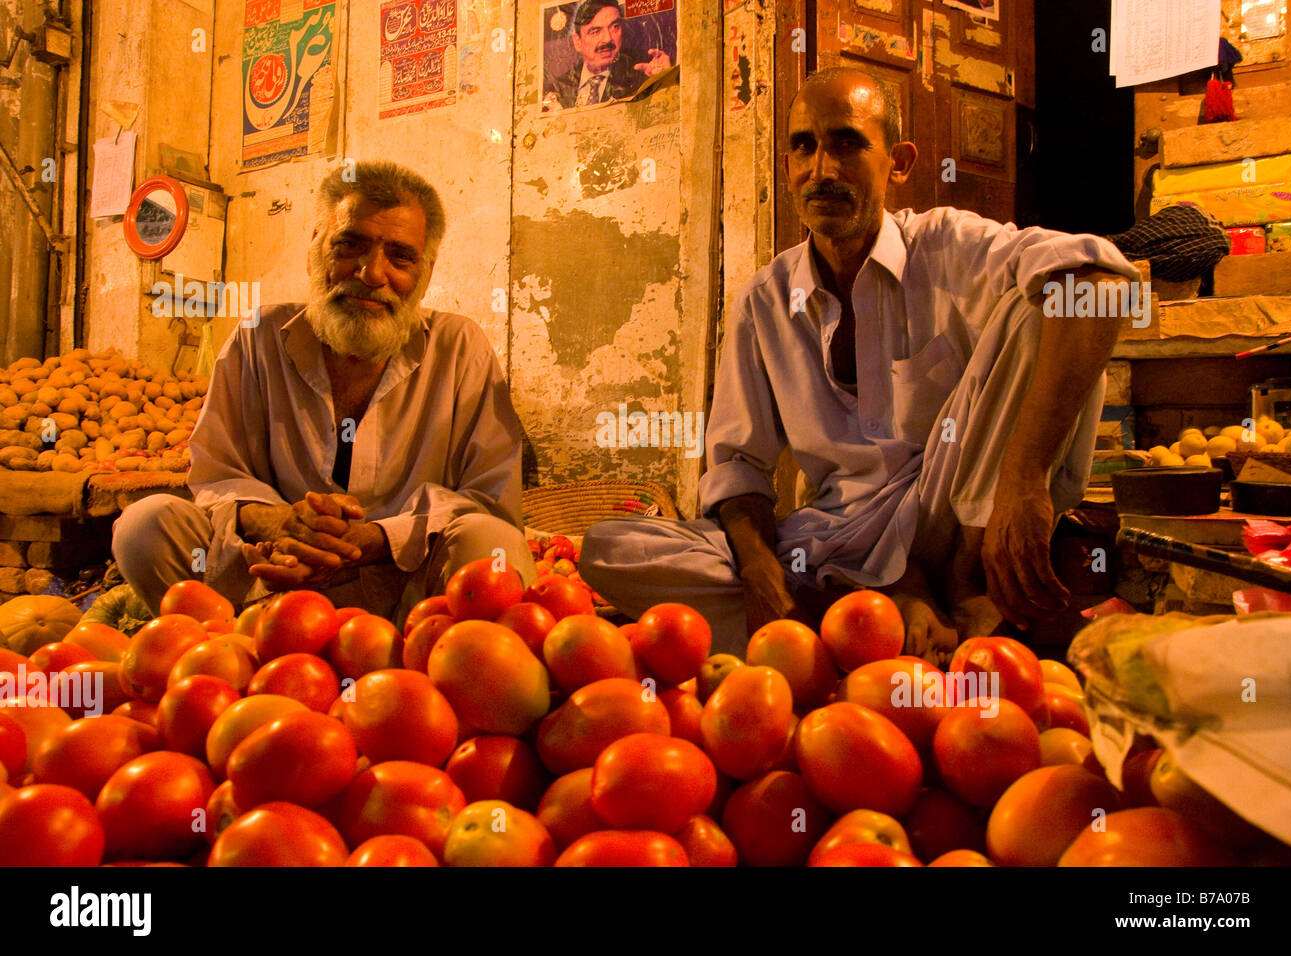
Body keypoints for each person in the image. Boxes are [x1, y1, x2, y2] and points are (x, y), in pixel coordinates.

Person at [579, 67, 1140, 663]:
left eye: (846, 142)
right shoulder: (763, 302)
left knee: (1047, 303)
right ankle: (882, 607)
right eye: (804, 146)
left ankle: (954, 594)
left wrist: (1025, 484)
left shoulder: (948, 245)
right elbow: (737, 467)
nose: (820, 169)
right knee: (615, 548)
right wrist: (761, 572)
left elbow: (1100, 281)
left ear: (898, 161)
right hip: (835, 543)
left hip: (954, 523)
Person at [112, 161, 534, 623]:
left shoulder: (459, 346)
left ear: (426, 273)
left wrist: (376, 539)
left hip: (410, 596)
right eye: (350, 245)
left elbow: (490, 499)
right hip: (271, 588)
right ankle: (226, 656)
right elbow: (215, 476)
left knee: (494, 544)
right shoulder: (259, 336)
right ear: (316, 249)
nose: (373, 274)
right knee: (144, 525)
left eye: (400, 256)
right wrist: (279, 523)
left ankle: (430, 667)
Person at [542, 0, 672, 110]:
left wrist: (665, 81)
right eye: (595, 31)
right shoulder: (558, 87)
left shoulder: (641, 78)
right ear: (578, 42)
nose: (608, 38)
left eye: (615, 27)